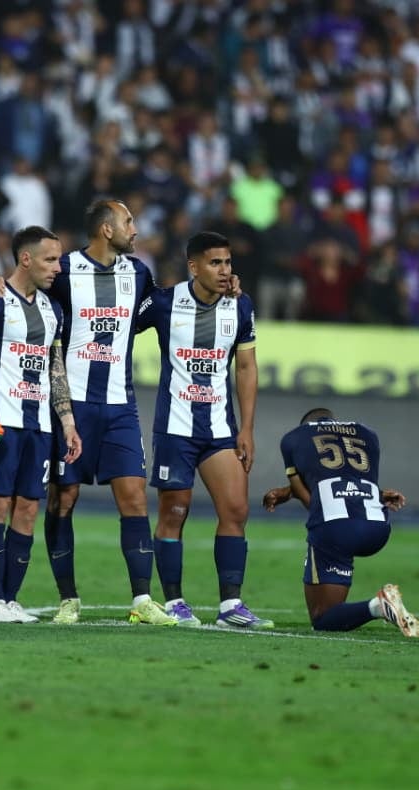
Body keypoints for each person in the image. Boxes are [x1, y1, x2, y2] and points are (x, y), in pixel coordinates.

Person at [0, 200, 177, 626]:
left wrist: (222, 289)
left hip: (120, 404)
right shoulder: (64, 269)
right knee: (62, 498)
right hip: (68, 403)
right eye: (128, 221)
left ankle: (142, 600)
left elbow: (159, 308)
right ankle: (68, 598)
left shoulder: (138, 273)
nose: (136, 230)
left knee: (133, 495)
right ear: (106, 229)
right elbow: (24, 291)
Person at [133, 231, 270, 629]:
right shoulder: (163, 303)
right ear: (194, 267)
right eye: (215, 263)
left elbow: (246, 368)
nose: (225, 271)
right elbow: (119, 324)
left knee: (236, 510)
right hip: (175, 427)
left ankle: (231, 606)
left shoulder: (241, 307)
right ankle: (174, 601)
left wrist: (246, 428)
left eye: (228, 263)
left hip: (220, 428)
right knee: (174, 512)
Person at [0, 225, 82, 622]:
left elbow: (55, 369)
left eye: (60, 260)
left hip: (40, 427)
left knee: (29, 508)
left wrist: (67, 422)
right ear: (26, 259)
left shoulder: (54, 311)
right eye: (50, 259)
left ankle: (11, 600)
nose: (58, 268)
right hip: (1, 422)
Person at [261, 408, 419, 637]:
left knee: (323, 616)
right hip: (378, 528)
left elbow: (304, 489)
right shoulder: (367, 434)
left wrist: (309, 506)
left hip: (336, 528)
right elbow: (352, 479)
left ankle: (378, 606)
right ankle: (380, 606)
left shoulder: (293, 437)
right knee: (332, 607)